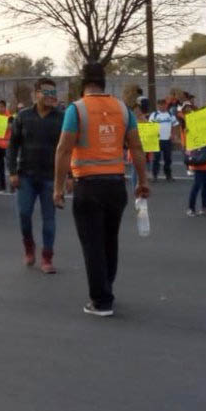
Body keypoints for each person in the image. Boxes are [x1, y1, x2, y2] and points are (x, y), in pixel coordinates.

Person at [53, 62, 149, 317]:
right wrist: (142, 181)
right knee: (109, 240)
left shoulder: (77, 109)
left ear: (83, 84)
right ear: (104, 83)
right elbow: (136, 148)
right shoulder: (122, 108)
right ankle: (107, 287)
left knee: (92, 244)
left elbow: (63, 149)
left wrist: (58, 188)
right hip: (116, 185)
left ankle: (101, 300)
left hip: (88, 186)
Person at [9, 79, 64, 273]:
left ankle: (47, 258)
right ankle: (28, 246)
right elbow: (13, 145)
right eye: (46, 92)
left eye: (53, 92)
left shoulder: (61, 117)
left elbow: (68, 149)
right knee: (24, 214)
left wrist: (70, 176)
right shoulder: (23, 116)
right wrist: (12, 172)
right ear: (36, 94)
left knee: (49, 219)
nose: (51, 96)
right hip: (26, 177)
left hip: (51, 178)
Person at [183, 103, 206, 216]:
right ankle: (190, 208)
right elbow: (189, 140)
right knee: (197, 184)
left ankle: (205, 206)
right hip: (200, 159)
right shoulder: (196, 127)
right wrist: (188, 132)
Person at [149, 100, 178, 182]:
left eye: (163, 105)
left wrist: (173, 134)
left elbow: (174, 125)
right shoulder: (154, 115)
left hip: (167, 140)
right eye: (160, 105)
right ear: (158, 106)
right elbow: (150, 127)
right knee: (156, 159)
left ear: (166, 105)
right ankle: (155, 175)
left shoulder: (170, 114)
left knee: (168, 159)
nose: (162, 106)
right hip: (157, 140)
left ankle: (168, 175)